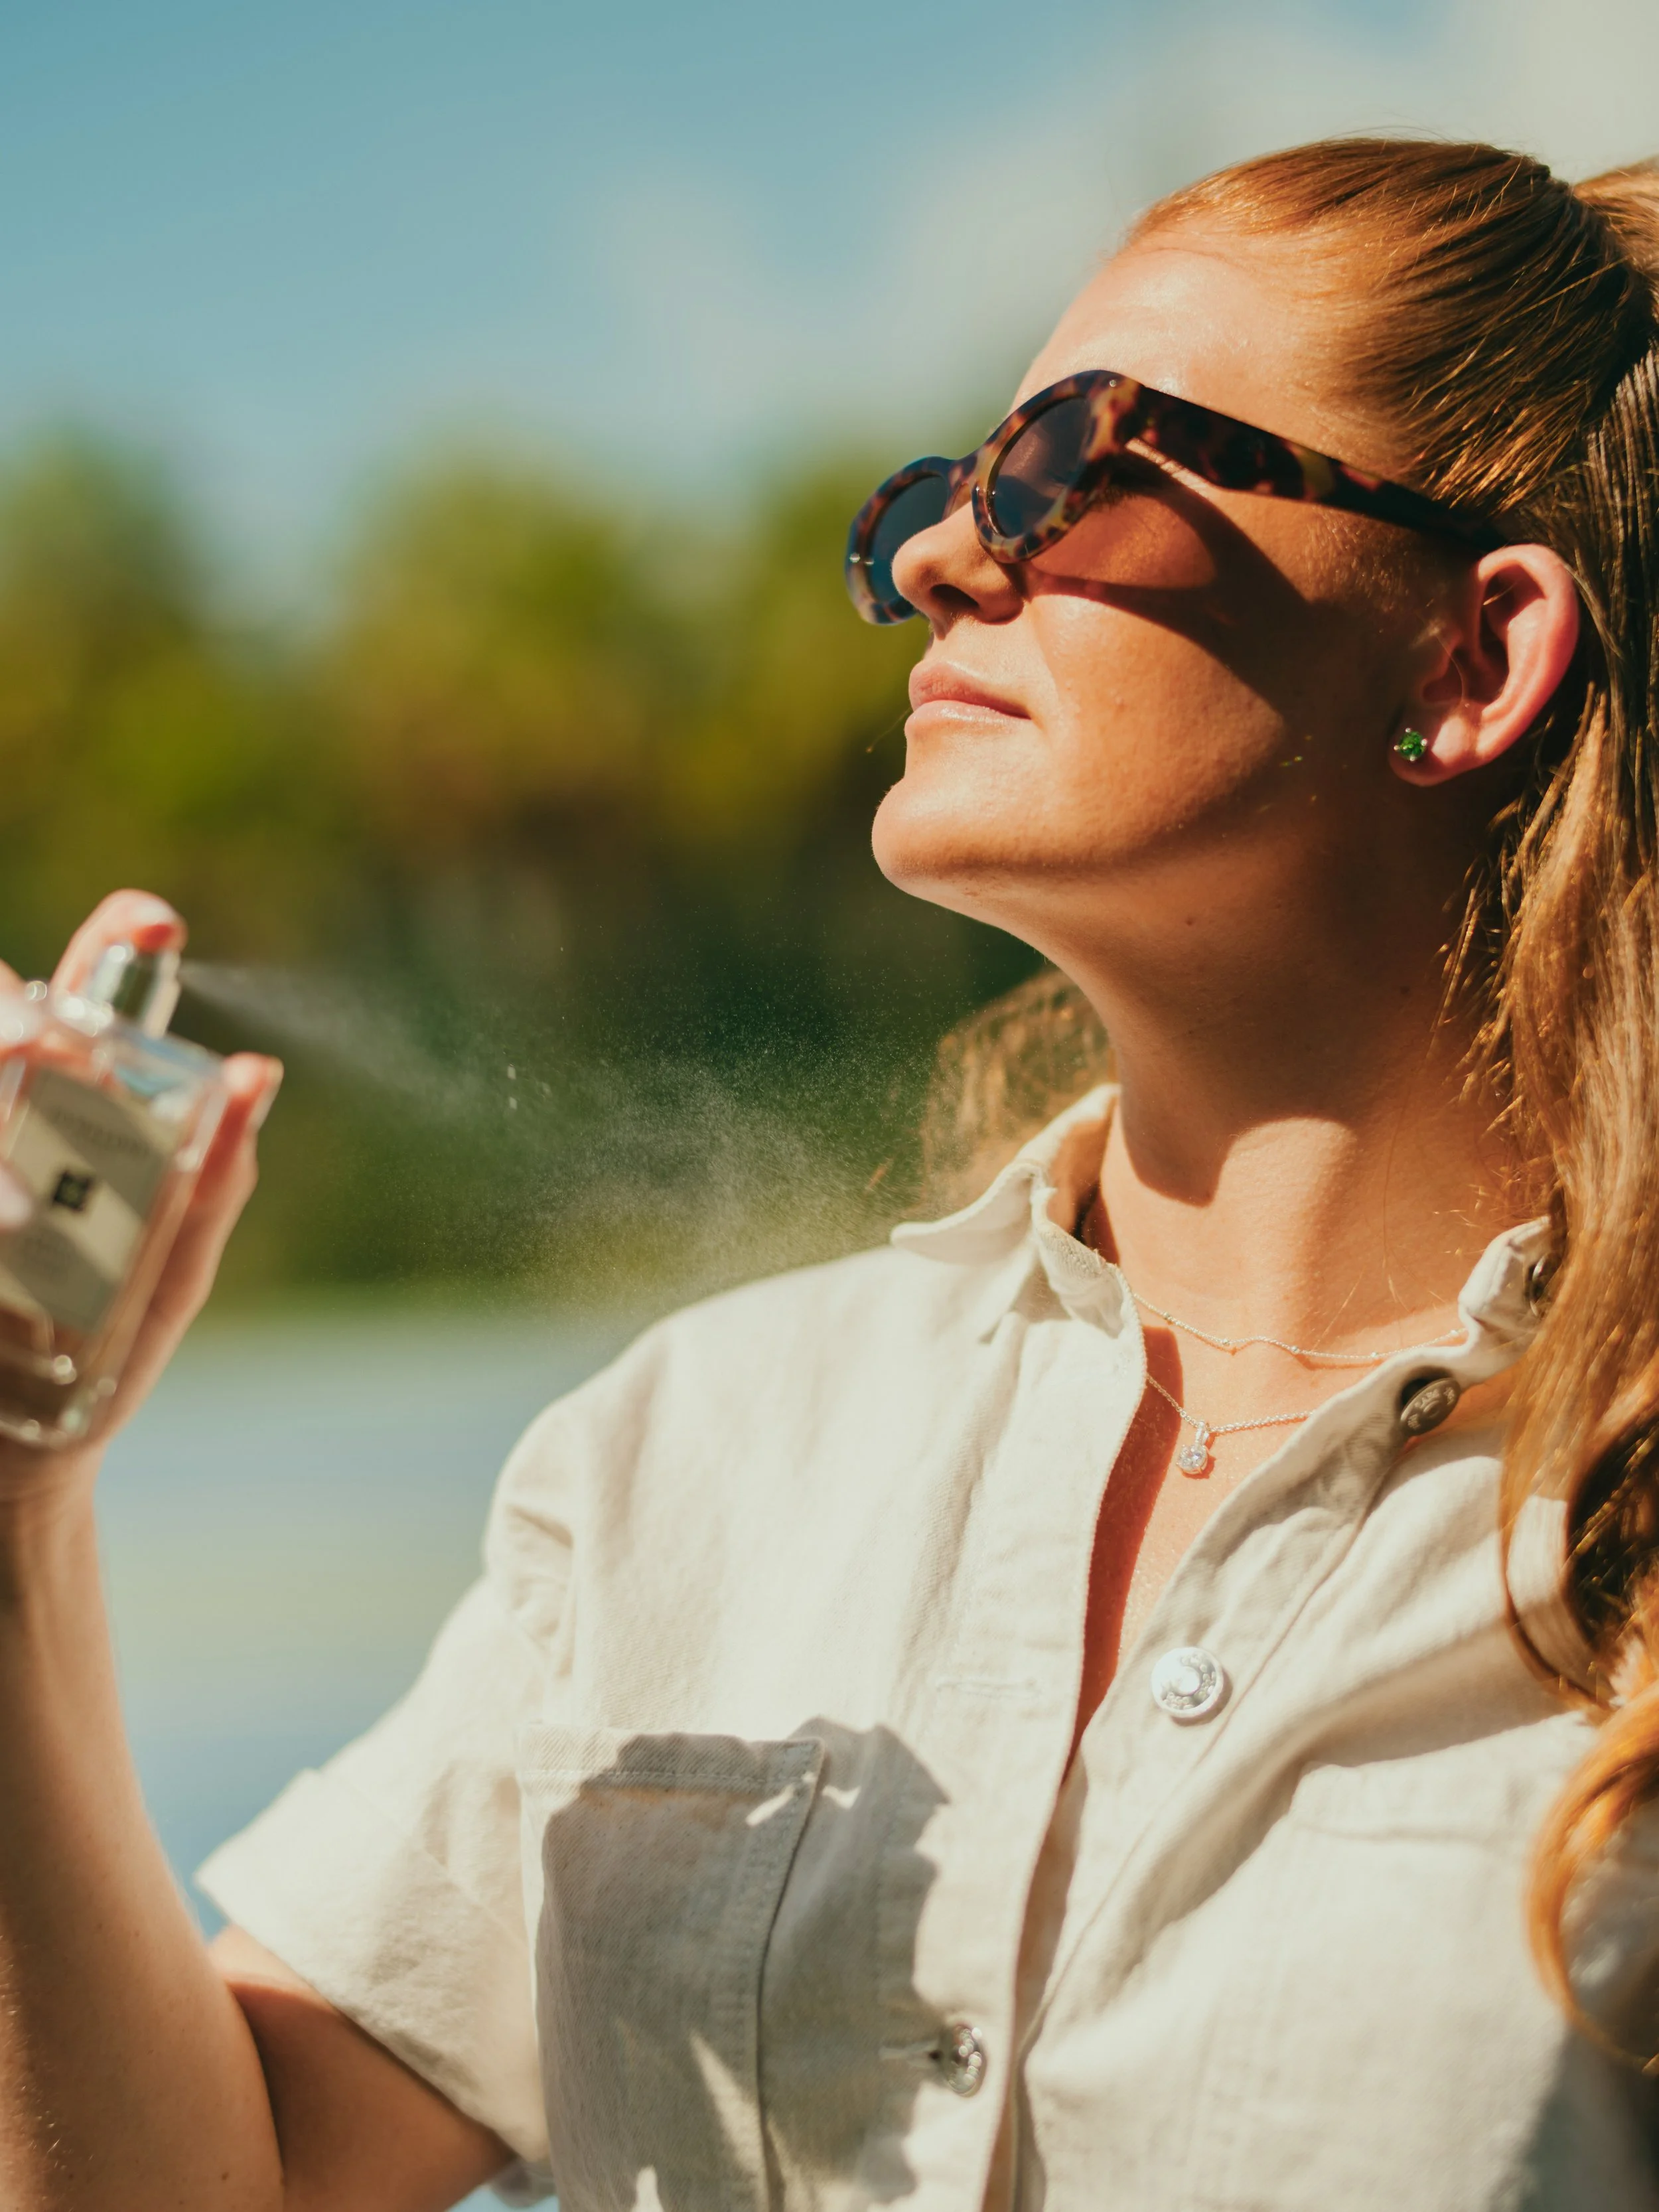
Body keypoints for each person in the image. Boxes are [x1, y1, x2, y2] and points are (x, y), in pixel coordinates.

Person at [3, 132, 1658, 2212]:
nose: (946, 556)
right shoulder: (691, 1454)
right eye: (950, 488)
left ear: (1468, 656)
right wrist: (17, 1514)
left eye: (1080, 465)